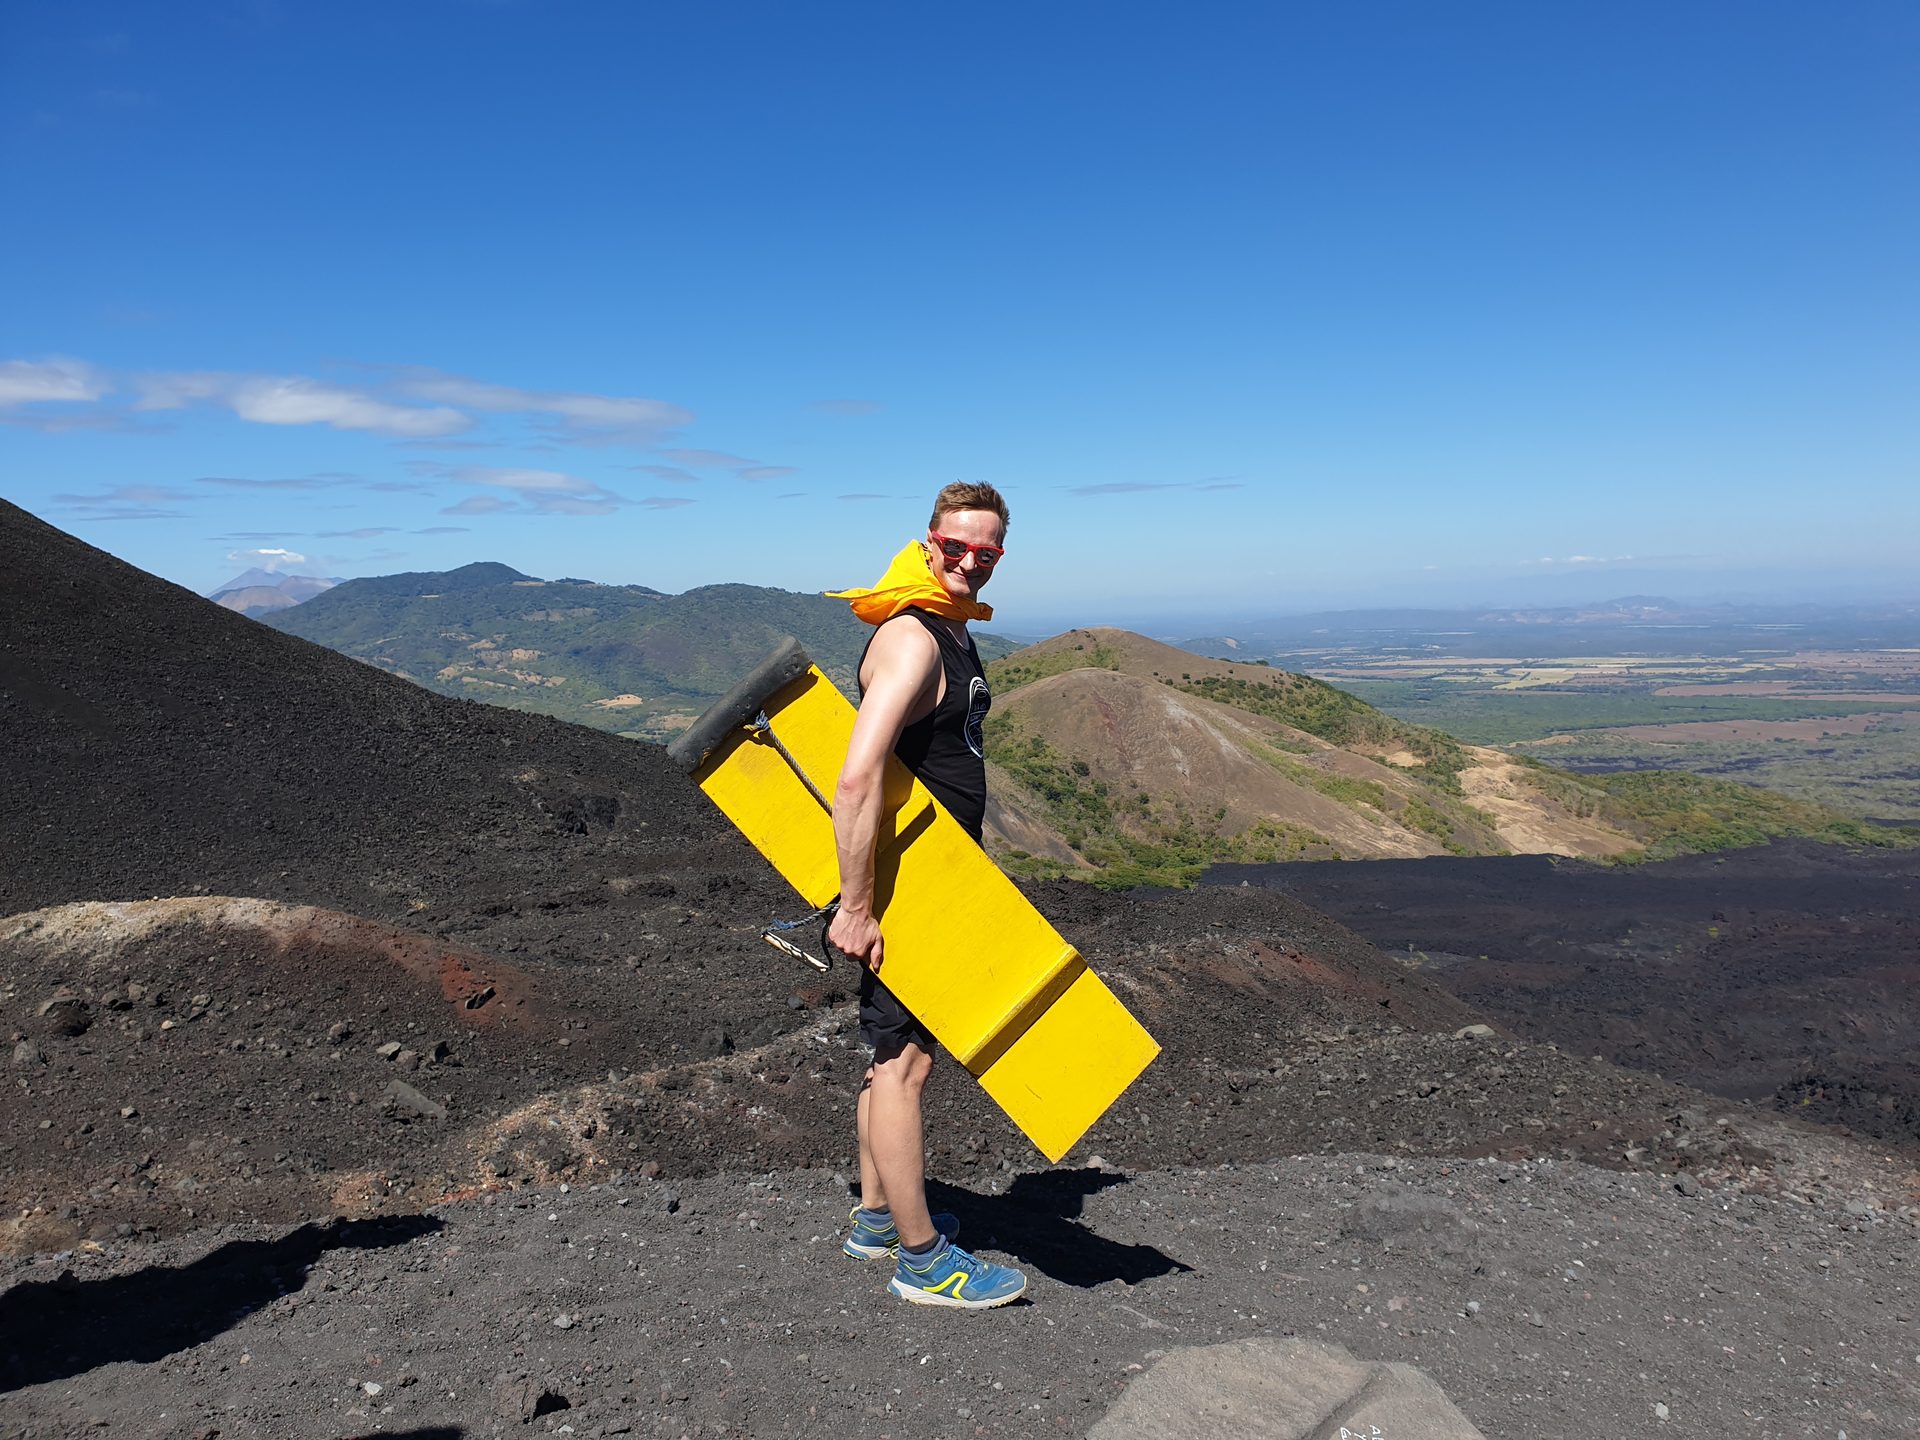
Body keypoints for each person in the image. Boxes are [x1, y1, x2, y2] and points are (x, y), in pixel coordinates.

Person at [823, 481, 1028, 1309]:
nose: (969, 563)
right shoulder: (911, 640)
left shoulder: (943, 627)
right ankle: (924, 1260)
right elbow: (857, 775)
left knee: (887, 1060)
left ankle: (876, 1218)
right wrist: (858, 906)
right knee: (904, 1065)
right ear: (928, 542)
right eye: (956, 549)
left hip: (931, 879)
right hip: (910, 887)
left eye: (987, 554)